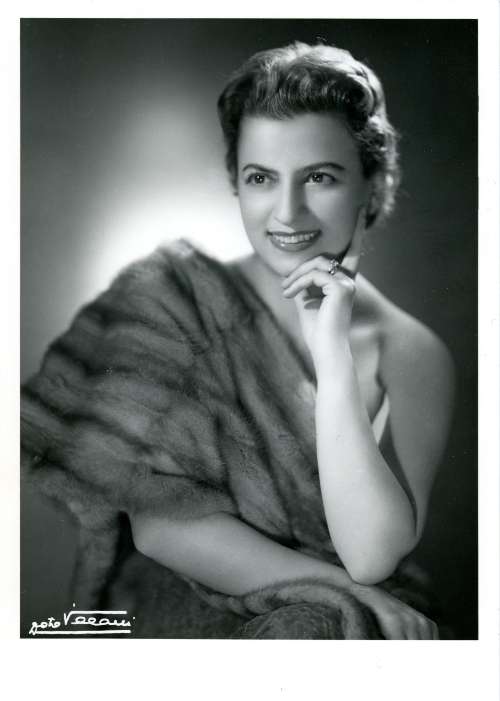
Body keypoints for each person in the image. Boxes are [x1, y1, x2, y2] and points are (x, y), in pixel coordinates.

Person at [21, 41, 455, 639]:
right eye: (261, 178)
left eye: (320, 177)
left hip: (346, 614)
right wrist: (342, 591)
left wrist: (331, 355)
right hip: (191, 604)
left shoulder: (413, 352)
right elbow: (162, 527)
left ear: (371, 183)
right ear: (236, 182)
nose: (288, 213)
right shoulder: (173, 302)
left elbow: (371, 558)